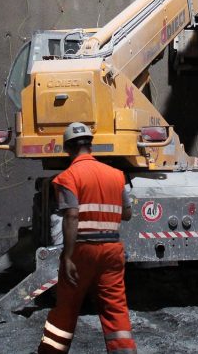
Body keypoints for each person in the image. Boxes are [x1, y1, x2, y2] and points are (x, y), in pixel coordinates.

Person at [37, 122, 136, 354]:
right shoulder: (117, 176)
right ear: (91, 145)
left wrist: (68, 256)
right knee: (115, 308)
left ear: (67, 148)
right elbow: (128, 214)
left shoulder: (67, 177)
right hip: (112, 250)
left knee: (66, 308)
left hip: (82, 251)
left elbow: (71, 216)